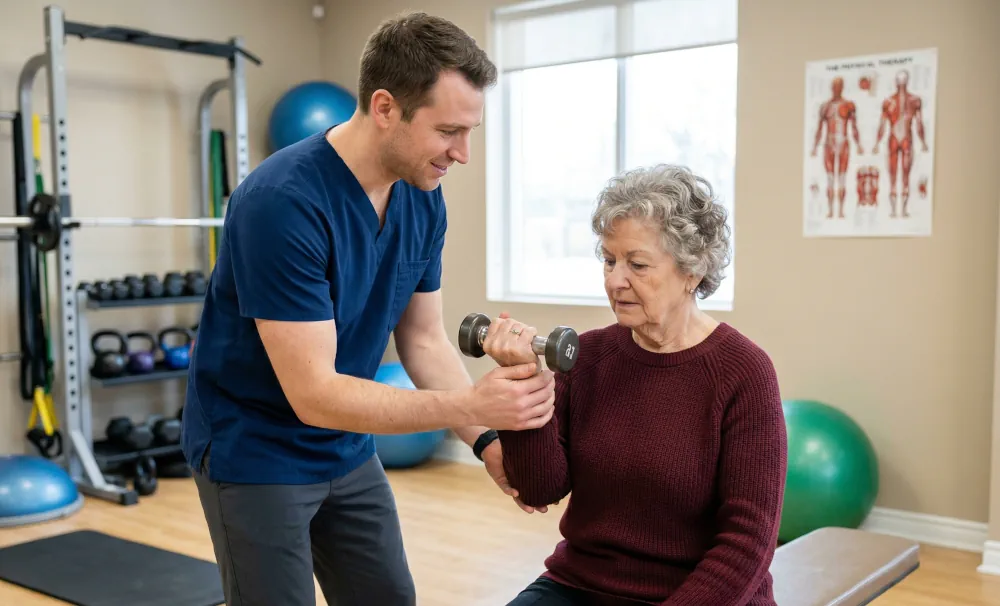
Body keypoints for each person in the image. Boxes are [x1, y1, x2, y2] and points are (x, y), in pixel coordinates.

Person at [180, 12, 556, 606]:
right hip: (256, 446)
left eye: (470, 132)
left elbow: (425, 340)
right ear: (385, 108)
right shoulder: (282, 202)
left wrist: (486, 443)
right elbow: (314, 394)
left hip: (346, 442)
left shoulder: (422, 197)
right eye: (448, 131)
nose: (462, 153)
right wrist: (471, 403)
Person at [480, 164, 788, 606]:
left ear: (692, 272)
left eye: (637, 264)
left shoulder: (745, 372)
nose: (614, 280)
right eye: (609, 260)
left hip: (703, 595)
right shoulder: (587, 356)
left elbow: (747, 542)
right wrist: (526, 380)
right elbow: (539, 488)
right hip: (582, 585)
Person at [873, 69, 929, 219]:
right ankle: (897, 211)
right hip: (899, 139)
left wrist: (923, 141)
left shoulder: (913, 101)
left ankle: (900, 210)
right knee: (895, 174)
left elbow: (919, 123)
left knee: (903, 175)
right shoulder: (890, 102)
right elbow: (883, 124)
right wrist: (877, 143)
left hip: (903, 139)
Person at [810, 76, 863, 219]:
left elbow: (854, 127)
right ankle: (830, 210)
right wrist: (815, 146)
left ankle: (840, 211)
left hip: (843, 142)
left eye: (839, 86)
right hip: (829, 142)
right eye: (834, 86)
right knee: (830, 178)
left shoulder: (848, 105)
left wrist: (858, 144)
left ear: (842, 87)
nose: (836, 89)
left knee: (842, 177)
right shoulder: (825, 107)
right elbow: (819, 129)